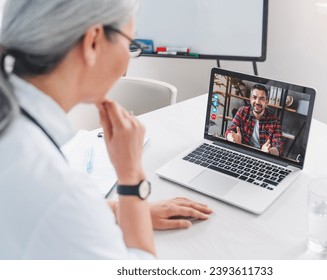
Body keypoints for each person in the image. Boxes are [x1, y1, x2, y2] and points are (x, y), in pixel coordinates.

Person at [0, 0, 211, 259]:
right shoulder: (59, 191)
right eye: (130, 44)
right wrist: (132, 177)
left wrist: (114, 210)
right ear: (93, 42)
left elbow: (29, 209)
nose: (126, 64)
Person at [225, 84, 284, 156]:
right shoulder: (242, 111)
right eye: (254, 97)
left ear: (266, 102)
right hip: (241, 151)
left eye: (262, 99)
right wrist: (233, 139)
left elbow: (279, 146)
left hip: (262, 156)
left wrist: (269, 151)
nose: (257, 102)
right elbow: (229, 130)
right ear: (250, 99)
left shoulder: (274, 120)